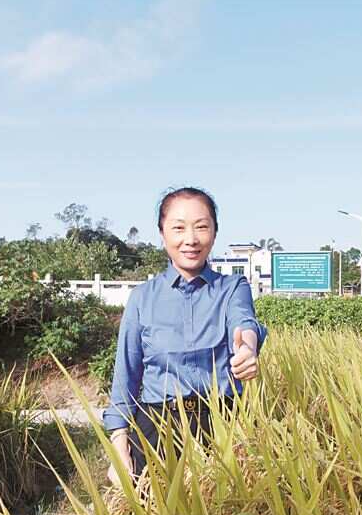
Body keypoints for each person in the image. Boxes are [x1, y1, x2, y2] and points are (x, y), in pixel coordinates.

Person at [102, 187, 267, 484]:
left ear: (214, 232)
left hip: (222, 426)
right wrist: (119, 442)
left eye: (201, 227)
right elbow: (126, 375)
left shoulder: (232, 288)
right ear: (162, 234)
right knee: (154, 512)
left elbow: (244, 323)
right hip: (157, 429)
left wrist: (247, 349)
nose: (190, 239)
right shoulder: (142, 298)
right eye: (178, 228)